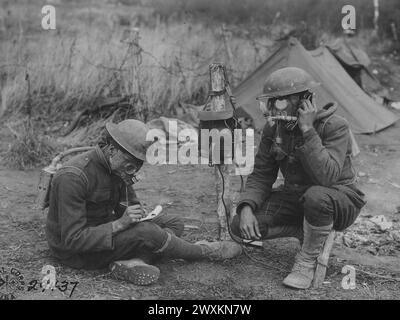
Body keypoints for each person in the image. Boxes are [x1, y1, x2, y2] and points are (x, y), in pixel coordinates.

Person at [45, 119, 242, 286]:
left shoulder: (115, 167)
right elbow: (73, 240)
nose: (133, 171)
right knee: (148, 233)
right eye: (130, 165)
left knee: (172, 222)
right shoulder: (73, 177)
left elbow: (127, 205)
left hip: (105, 231)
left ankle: (136, 261)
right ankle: (203, 251)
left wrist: (139, 214)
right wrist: (120, 224)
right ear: (112, 150)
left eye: (138, 166)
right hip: (78, 252)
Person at [230, 67, 366, 289]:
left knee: (317, 196)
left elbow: (328, 177)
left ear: (306, 100)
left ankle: (306, 260)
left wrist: (307, 129)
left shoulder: (334, 126)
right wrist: (245, 208)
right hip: (297, 198)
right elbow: (262, 174)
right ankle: (304, 232)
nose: (274, 107)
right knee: (239, 225)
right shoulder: (273, 129)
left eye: (282, 101)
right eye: (272, 101)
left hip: (339, 200)